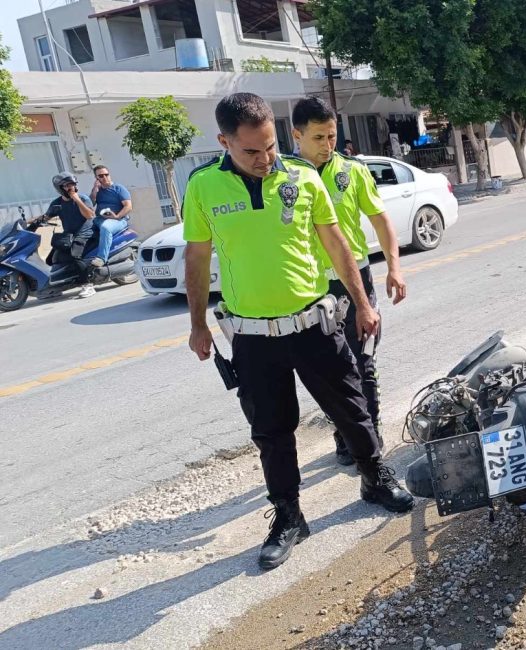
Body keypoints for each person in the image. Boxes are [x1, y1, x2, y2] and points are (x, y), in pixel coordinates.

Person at [183, 93, 414, 571]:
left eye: (269, 146)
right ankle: (288, 516)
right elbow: (198, 258)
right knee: (271, 430)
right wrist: (198, 323)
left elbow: (337, 246)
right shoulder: (204, 188)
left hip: (314, 322)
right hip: (251, 335)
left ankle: (374, 476)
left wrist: (365, 303)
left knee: (351, 407)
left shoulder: (303, 177)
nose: (265, 159)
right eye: (251, 151)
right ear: (224, 141)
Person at [291, 97, 408, 467]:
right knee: (330, 370)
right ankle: (344, 433)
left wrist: (394, 267)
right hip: (311, 288)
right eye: (319, 137)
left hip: (354, 280)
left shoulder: (352, 171)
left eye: (332, 135)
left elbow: (380, 220)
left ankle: (368, 438)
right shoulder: (285, 177)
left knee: (364, 362)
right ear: (297, 135)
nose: (328, 145)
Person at [45, 173, 97, 298]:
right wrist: (28, 223)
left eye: (73, 184)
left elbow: (89, 215)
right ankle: (59, 286)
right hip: (69, 235)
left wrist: (76, 199)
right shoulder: (57, 203)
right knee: (51, 259)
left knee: (75, 255)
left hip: (85, 234)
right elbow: (46, 217)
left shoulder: (83, 198)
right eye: (67, 185)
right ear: (60, 188)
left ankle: (87, 285)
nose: (71, 188)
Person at [88, 165, 133, 267]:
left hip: (118, 219)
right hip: (99, 219)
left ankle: (101, 258)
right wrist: (95, 190)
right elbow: (90, 204)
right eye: (101, 176)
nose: (104, 178)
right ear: (97, 178)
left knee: (106, 228)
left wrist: (117, 216)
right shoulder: (97, 191)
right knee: (82, 228)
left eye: (106, 175)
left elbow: (128, 206)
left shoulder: (119, 188)